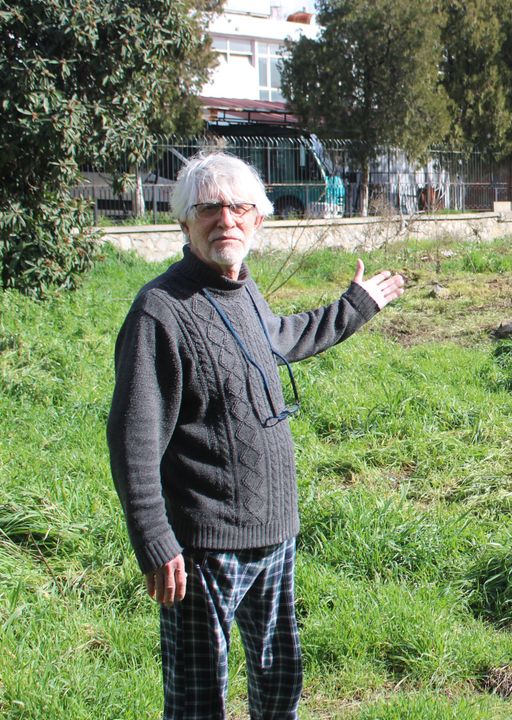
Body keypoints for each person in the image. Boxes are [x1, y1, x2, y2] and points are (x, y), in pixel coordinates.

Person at [106, 152, 405, 719]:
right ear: (185, 223)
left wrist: (355, 306)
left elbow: (278, 339)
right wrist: (154, 538)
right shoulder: (160, 311)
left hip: (274, 532)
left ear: (259, 220)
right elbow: (132, 439)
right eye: (209, 209)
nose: (226, 220)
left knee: (279, 683)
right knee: (198, 701)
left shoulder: (241, 289)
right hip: (204, 546)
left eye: (239, 208)